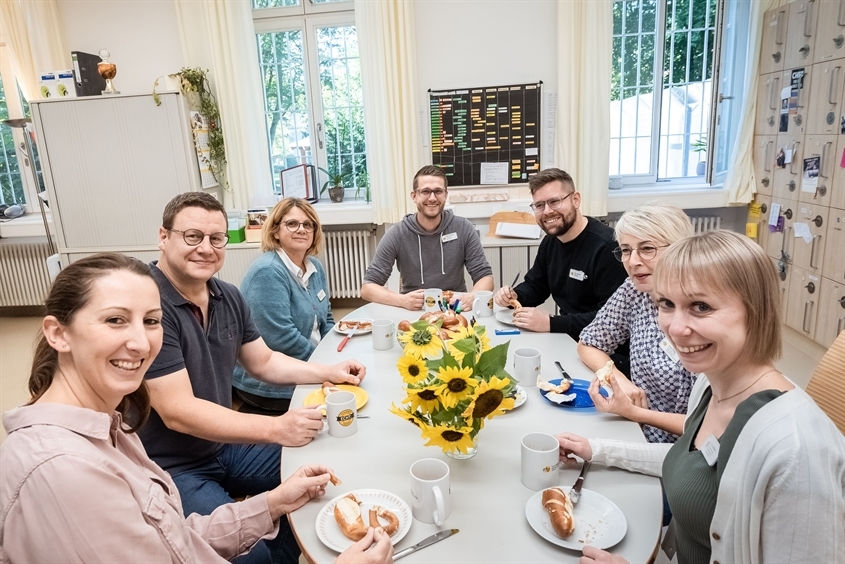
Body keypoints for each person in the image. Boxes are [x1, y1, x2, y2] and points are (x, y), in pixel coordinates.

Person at [0, 253, 393, 564]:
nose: (140, 343)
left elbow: (173, 538)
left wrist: (273, 503)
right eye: (115, 320)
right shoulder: (65, 472)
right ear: (58, 333)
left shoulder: (112, 428)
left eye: (150, 321)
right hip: (185, 462)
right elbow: (179, 411)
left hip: (219, 449)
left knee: (307, 496)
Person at [558, 231, 845, 564]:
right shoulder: (710, 386)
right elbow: (693, 460)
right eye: (666, 304)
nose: (676, 328)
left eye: (701, 306)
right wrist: (598, 450)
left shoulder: (796, 451)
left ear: (756, 310)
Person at [138, 192, 367, 564]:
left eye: (216, 238)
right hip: (172, 464)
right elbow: (177, 411)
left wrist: (329, 371)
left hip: (223, 444)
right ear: (163, 237)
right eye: (192, 236)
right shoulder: (147, 305)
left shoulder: (226, 295)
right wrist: (277, 428)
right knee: (250, 554)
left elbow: (263, 362)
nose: (206, 248)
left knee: (323, 474)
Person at [577, 201, 696, 444]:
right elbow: (588, 343)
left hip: (682, 450)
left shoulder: (701, 313)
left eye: (647, 249)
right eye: (626, 250)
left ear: (679, 249)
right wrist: (617, 378)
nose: (633, 262)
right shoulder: (636, 290)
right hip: (635, 430)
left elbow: (709, 428)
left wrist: (637, 413)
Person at [493, 169, 629, 368]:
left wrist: (550, 322)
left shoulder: (608, 247)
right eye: (539, 205)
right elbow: (536, 285)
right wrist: (514, 296)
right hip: (568, 339)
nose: (547, 211)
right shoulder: (550, 242)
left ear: (575, 199)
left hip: (606, 352)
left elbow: (611, 319)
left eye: (554, 201)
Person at [233, 198, 334, 416]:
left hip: (311, 363)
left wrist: (334, 351)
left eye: (308, 225)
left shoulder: (314, 266)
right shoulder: (268, 272)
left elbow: (326, 315)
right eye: (292, 224)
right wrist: (326, 367)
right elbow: (282, 339)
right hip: (271, 385)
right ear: (276, 231)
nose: (301, 230)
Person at [361, 165, 493, 311]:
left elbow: (485, 276)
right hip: (414, 310)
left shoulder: (464, 228)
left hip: (455, 309)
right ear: (414, 196)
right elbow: (368, 288)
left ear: (445, 195)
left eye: (438, 191)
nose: (432, 198)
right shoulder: (397, 233)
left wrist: (472, 296)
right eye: (425, 192)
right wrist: (402, 300)